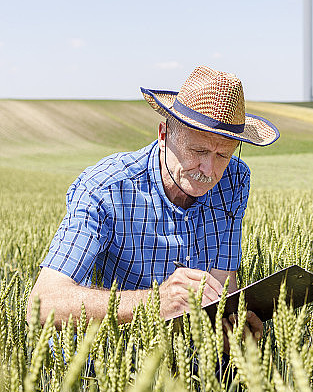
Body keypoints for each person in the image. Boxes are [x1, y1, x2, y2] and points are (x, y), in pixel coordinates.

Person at [27, 65, 280, 345]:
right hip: (111, 358)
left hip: (185, 360)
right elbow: (43, 303)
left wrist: (233, 320)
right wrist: (154, 302)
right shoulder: (106, 187)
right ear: (164, 134)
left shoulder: (234, 179)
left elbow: (220, 284)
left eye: (223, 155)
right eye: (199, 151)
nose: (209, 170)